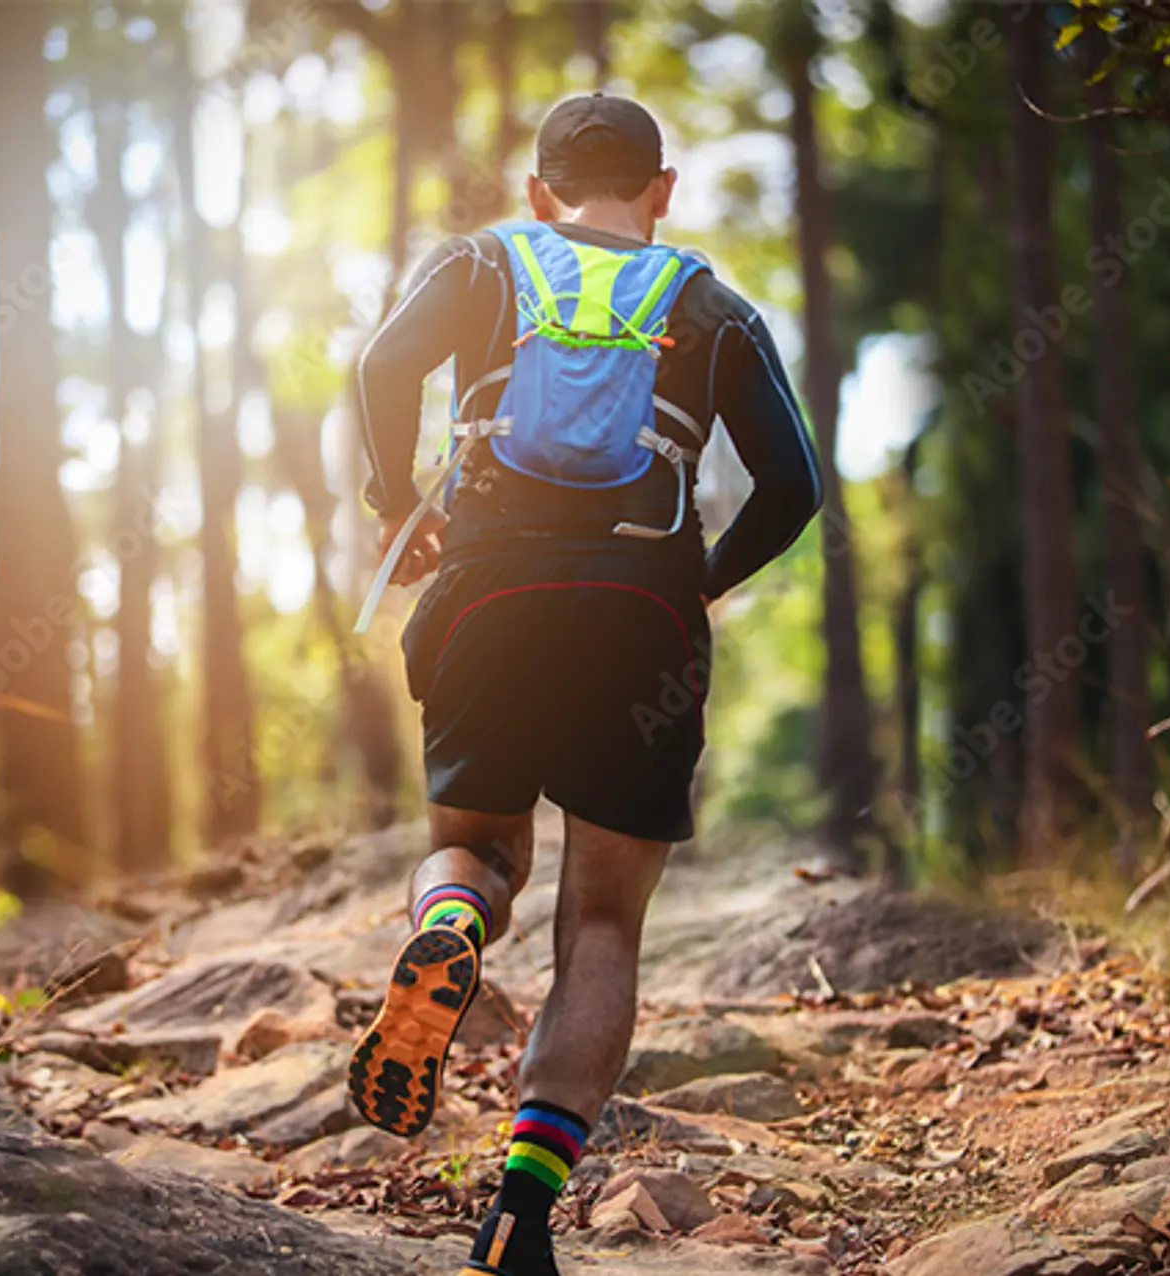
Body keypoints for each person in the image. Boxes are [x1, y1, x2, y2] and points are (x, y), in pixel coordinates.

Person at [347, 93, 822, 1276]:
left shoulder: (480, 262)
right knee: (602, 922)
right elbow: (794, 486)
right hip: (640, 616)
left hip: (487, 593)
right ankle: (519, 1213)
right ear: (663, 189)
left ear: (538, 191)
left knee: (479, 848)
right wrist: (693, 585)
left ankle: (451, 925)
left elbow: (382, 361)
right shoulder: (709, 304)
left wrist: (397, 501)